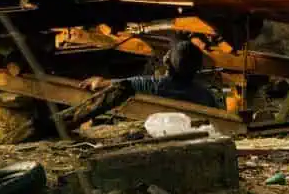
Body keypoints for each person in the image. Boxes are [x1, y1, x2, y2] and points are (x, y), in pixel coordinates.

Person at [56, 38, 221, 132]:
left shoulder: (151, 85)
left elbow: (120, 85)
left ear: (167, 62)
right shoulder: (206, 96)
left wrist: (97, 82)